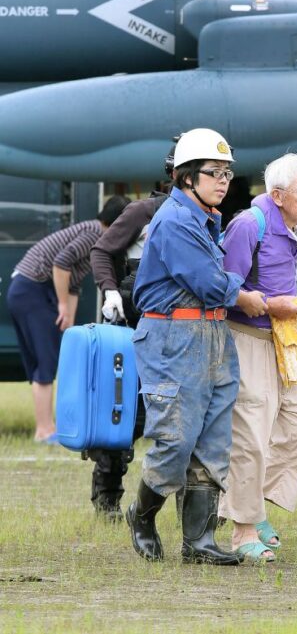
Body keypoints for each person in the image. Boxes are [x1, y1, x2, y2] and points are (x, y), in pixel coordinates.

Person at [126, 128, 267, 566]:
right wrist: (244, 293)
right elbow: (208, 283)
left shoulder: (206, 219)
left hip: (212, 335)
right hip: (174, 338)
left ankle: (199, 543)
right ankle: (141, 516)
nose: (224, 181)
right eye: (214, 173)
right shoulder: (175, 220)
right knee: (175, 440)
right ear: (187, 177)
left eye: (228, 172)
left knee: (213, 443)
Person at [218, 153, 297, 562]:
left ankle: (252, 505)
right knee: (251, 437)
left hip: (286, 337)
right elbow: (224, 292)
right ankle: (243, 532)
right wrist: (268, 305)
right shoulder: (248, 224)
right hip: (249, 337)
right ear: (277, 195)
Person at [86, 151, 174, 520]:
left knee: (183, 418)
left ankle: (190, 505)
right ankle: (107, 498)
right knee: (124, 412)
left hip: (181, 329)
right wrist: (108, 291)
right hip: (133, 324)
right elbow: (102, 251)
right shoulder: (143, 212)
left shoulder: (210, 217)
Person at [6, 195, 130, 444]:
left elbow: (72, 283)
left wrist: (69, 321)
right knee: (46, 360)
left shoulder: (92, 232)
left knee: (43, 361)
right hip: (33, 288)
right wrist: (62, 305)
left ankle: (46, 427)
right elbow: (61, 263)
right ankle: (44, 430)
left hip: (25, 289)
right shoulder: (95, 232)